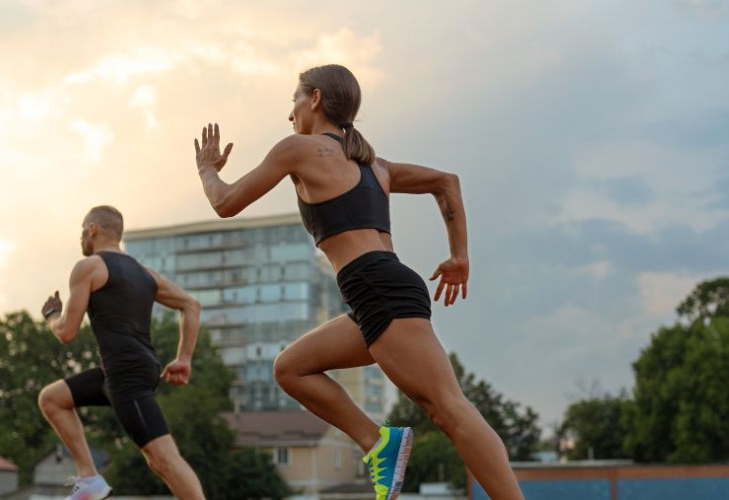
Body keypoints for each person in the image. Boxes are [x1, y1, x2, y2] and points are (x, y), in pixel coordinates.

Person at [193, 65, 525, 500]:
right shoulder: (375, 166)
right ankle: (377, 442)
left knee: (449, 409)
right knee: (291, 368)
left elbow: (225, 201)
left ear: (313, 99)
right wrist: (459, 254)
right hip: (377, 292)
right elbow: (446, 181)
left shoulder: (299, 148)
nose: (289, 114)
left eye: (293, 100)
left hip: (378, 288)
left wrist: (206, 169)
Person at [37, 205, 206, 500]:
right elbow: (191, 304)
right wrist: (184, 358)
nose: (82, 237)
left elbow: (66, 332)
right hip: (118, 373)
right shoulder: (145, 274)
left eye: (82, 230)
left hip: (127, 376)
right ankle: (89, 479)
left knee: (163, 459)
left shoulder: (88, 268)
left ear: (92, 229)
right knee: (52, 399)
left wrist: (52, 314)